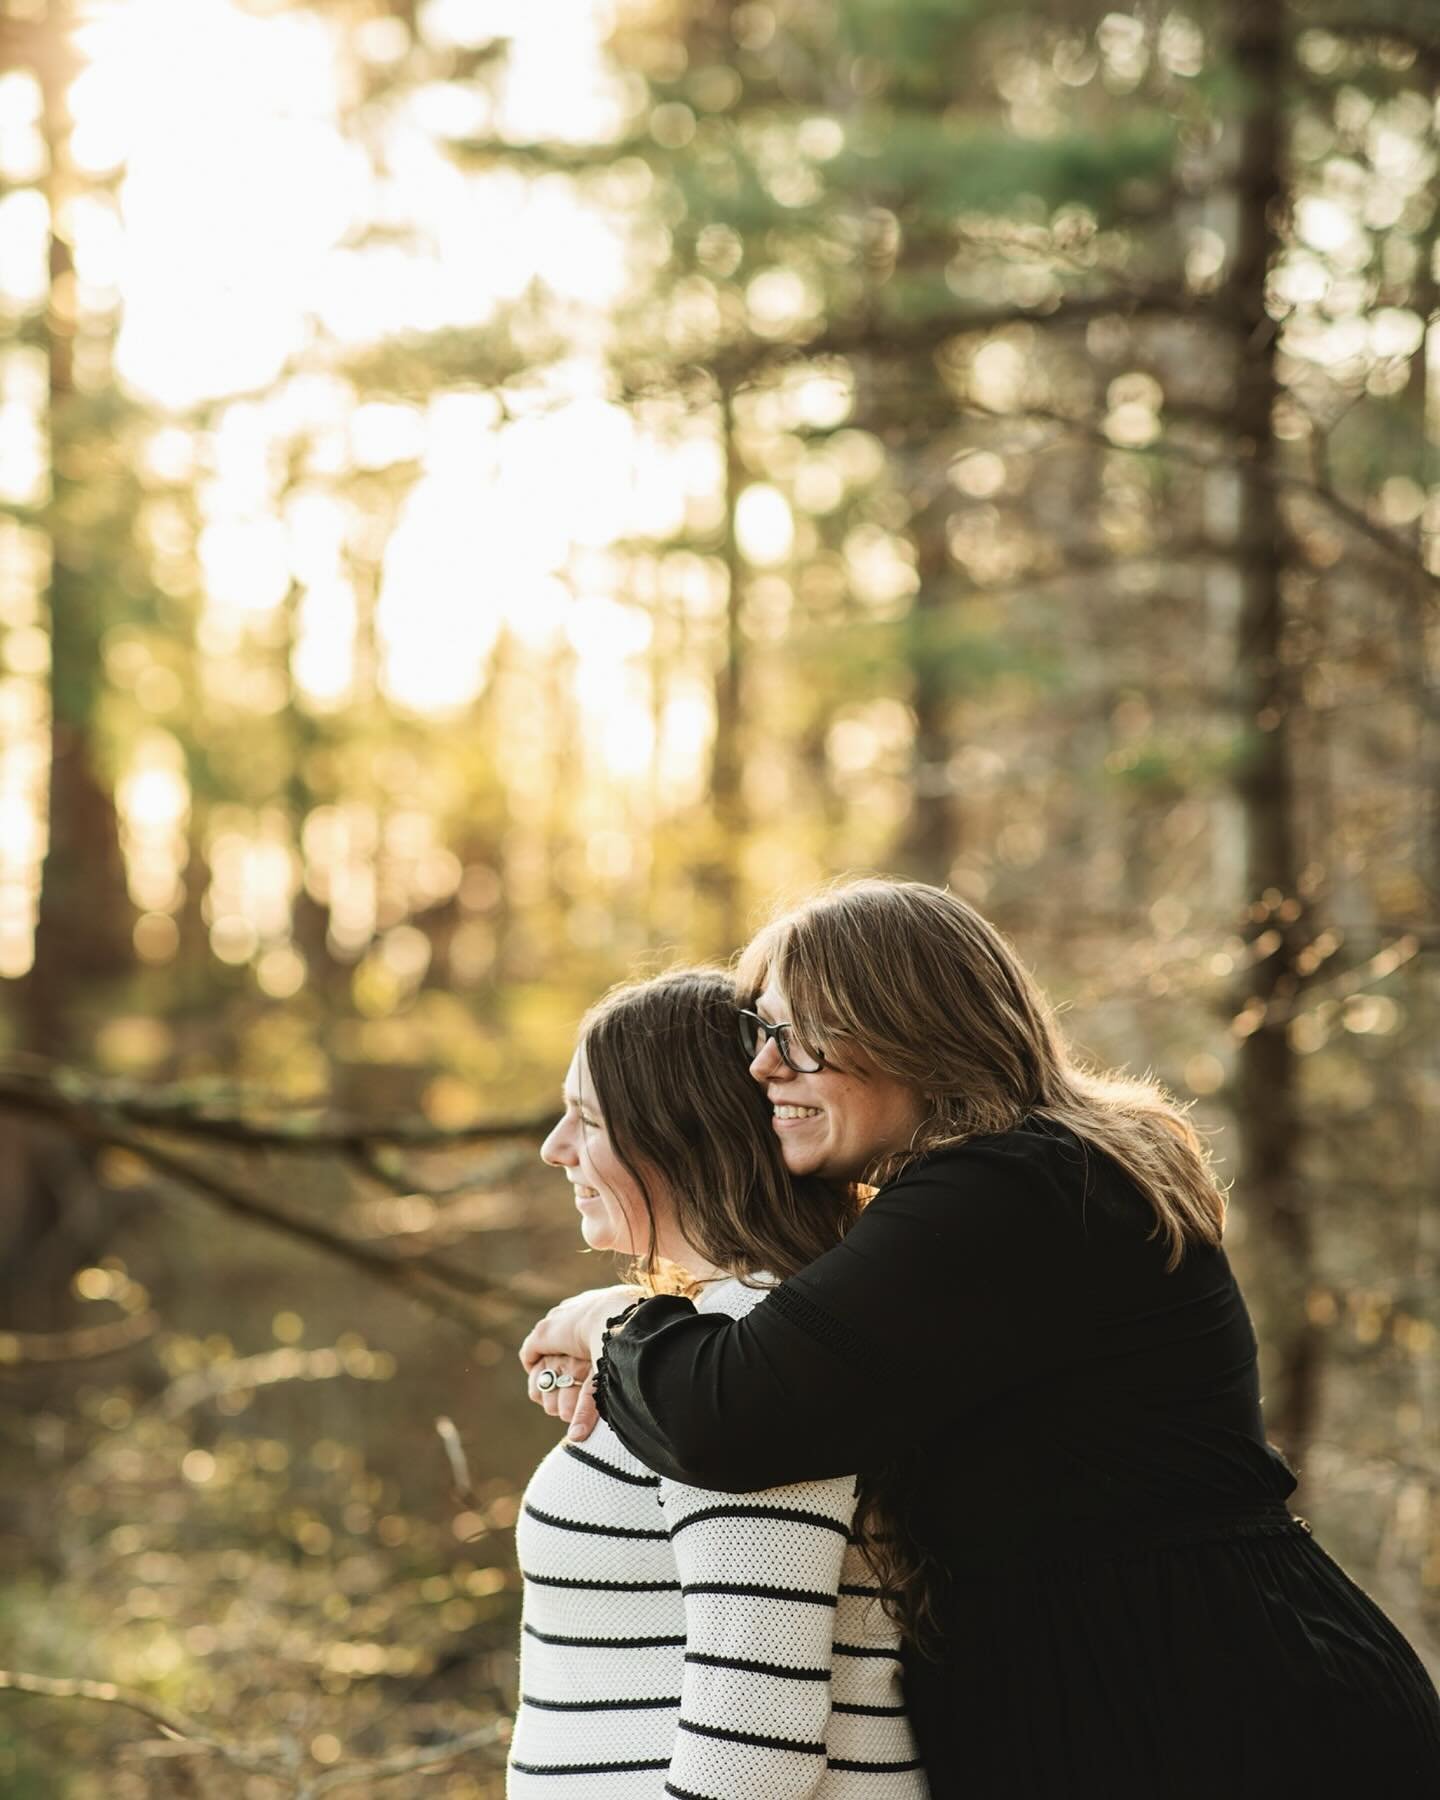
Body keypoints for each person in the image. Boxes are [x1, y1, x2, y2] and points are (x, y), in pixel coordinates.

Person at [521, 879, 1440, 1799]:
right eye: (762, 1034)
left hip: (1212, 1711)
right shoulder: (1022, 1184)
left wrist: (617, 1320)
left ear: (906, 1029)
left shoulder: (1017, 1188)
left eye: (795, 1034)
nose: (763, 1068)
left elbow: (735, 1414)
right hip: (1167, 1690)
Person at [508, 966, 927, 1798]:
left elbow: (757, 1733)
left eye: (587, 1119)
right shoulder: (701, 1340)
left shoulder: (746, 1358)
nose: (556, 1148)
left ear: (681, 1135)